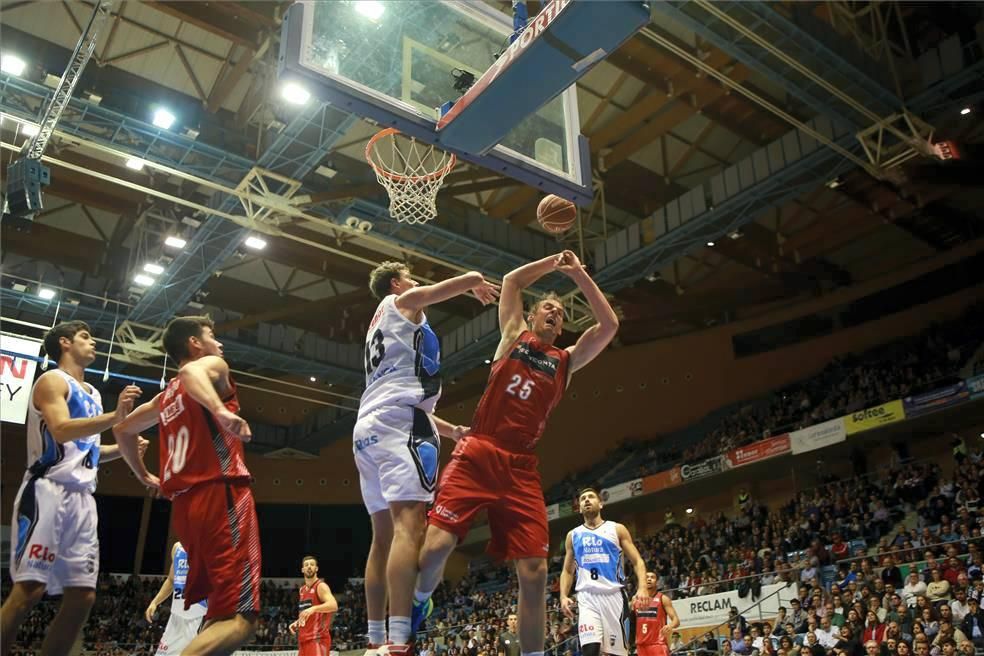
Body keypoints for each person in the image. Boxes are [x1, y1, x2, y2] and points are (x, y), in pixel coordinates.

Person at [412, 250, 620, 656]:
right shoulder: (513, 335)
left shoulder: (567, 361)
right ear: (534, 315)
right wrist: (551, 263)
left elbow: (608, 325)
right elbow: (511, 281)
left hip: (521, 465)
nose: (554, 313)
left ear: (561, 328)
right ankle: (421, 598)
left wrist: (578, 274)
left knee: (535, 570)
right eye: (547, 307)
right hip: (479, 449)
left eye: (560, 314)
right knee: (436, 547)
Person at [354, 262, 498, 653]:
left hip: (369, 427)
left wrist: (449, 431)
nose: (415, 285)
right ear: (396, 283)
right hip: (400, 423)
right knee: (408, 527)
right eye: (410, 278)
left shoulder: (377, 325)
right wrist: (474, 280)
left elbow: (399, 390)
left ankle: (374, 639)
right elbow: (442, 289)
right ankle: (400, 637)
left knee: (381, 537)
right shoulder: (401, 300)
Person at [114, 315, 258, 655]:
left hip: (185, 510)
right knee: (243, 619)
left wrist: (143, 475)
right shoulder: (205, 368)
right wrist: (220, 412)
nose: (219, 344)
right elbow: (191, 373)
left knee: (219, 615)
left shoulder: (166, 397)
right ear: (195, 343)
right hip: (221, 495)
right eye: (212, 335)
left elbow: (122, 431)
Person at [1, 321, 143, 656]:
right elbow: (62, 430)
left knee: (83, 596)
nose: (93, 343)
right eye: (85, 337)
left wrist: (125, 451)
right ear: (64, 343)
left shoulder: (92, 393)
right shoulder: (51, 380)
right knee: (29, 590)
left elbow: (89, 451)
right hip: (47, 490)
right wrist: (115, 417)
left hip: (82, 498)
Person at [558, 487, 649, 656]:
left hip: (614, 596)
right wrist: (563, 596)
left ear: (601, 504)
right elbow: (567, 571)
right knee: (590, 650)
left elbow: (637, 561)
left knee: (618, 654)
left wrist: (642, 587)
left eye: (591, 497)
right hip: (587, 598)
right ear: (579, 508)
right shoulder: (573, 535)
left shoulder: (617, 529)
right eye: (583, 498)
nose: (586, 500)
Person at [145, 541, 208, 655]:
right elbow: (171, 580)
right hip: (176, 617)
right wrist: (155, 602)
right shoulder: (177, 547)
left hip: (197, 617)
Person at [289, 555, 338, 656]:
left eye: (312, 564)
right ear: (302, 569)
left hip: (317, 640)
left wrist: (314, 608)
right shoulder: (302, 590)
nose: (309, 567)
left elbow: (333, 605)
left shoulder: (320, 586)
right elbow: (308, 613)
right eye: (306, 565)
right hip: (303, 640)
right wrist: (297, 622)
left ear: (316, 568)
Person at [633, 571, 680, 656]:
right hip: (640, 645)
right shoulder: (635, 600)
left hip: (658, 644)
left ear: (657, 582)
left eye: (652, 577)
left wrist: (670, 626)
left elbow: (676, 620)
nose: (649, 579)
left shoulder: (663, 598)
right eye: (647, 577)